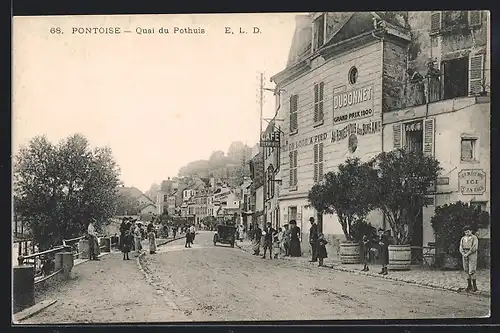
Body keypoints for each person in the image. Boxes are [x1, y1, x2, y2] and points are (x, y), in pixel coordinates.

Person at [459, 225, 479, 292]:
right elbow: (461, 247)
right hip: (464, 254)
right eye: (465, 232)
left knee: (472, 269)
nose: (467, 233)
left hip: (472, 254)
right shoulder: (463, 238)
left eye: (468, 232)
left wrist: (468, 254)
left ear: (471, 231)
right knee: (466, 269)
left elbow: (474, 247)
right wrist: (463, 254)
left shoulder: (474, 238)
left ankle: (474, 286)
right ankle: (469, 285)